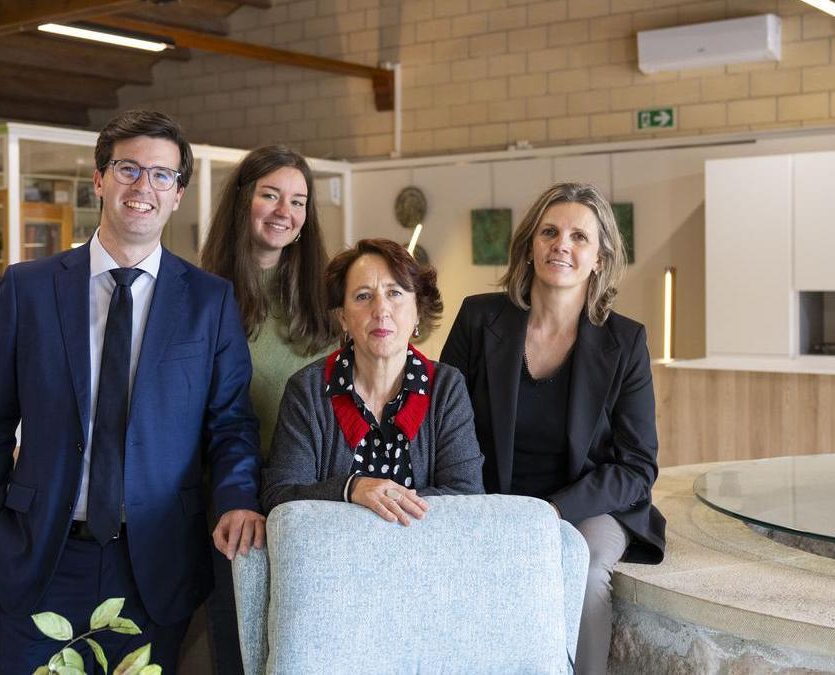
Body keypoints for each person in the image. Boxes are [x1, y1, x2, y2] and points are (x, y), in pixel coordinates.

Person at [0, 109, 265, 674]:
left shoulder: (209, 301)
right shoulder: (28, 289)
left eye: (161, 175)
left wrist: (238, 499)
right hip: (42, 558)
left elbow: (231, 426)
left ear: (177, 194)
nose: (143, 187)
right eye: (128, 169)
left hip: (156, 564)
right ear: (99, 180)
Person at [440, 182, 665, 675]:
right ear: (530, 246)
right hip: (491, 498)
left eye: (579, 237)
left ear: (599, 258)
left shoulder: (625, 342)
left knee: (580, 570)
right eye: (550, 232)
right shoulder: (480, 320)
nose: (561, 244)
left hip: (586, 503)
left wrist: (553, 511)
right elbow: (442, 425)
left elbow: (637, 467)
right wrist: (483, 512)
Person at [199, 145, 336, 673]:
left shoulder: (327, 294)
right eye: (271, 195)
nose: (286, 211)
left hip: (316, 491)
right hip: (236, 492)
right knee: (242, 643)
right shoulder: (202, 295)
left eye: (298, 201)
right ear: (242, 202)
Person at [261, 238, 484, 521]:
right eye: (363, 296)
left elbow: (468, 497)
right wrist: (350, 489)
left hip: (426, 561)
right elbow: (279, 496)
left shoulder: (446, 387)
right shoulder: (307, 390)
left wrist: (382, 503)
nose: (381, 310)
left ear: (417, 311)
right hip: (335, 561)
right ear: (343, 317)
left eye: (395, 293)